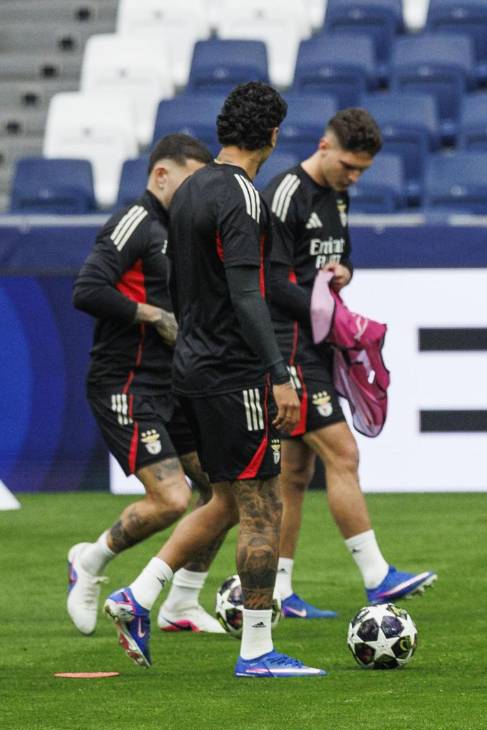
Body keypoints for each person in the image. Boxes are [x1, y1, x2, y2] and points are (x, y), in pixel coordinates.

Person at [103, 82, 324, 678]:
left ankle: (136, 596)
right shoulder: (244, 197)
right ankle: (256, 649)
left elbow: (178, 285)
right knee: (262, 506)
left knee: (224, 498)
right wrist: (277, 373)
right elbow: (248, 294)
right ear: (273, 136)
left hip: (190, 369)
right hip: (233, 373)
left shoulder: (189, 191)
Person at [260, 107, 435, 619]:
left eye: (361, 170)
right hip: (287, 341)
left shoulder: (337, 193)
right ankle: (377, 576)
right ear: (323, 146)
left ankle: (279, 590)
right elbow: (270, 282)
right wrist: (324, 308)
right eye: (348, 167)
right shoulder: (286, 194)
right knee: (343, 453)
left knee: (295, 472)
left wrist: (341, 275)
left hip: (314, 340)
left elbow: (340, 259)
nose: (353, 177)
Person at [69, 133, 229, 637]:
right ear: (161, 175)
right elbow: (88, 288)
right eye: (189, 183)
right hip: (126, 383)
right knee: (171, 500)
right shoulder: (134, 223)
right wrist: (153, 314)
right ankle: (90, 563)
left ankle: (182, 603)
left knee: (226, 491)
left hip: (177, 384)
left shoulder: (184, 231)